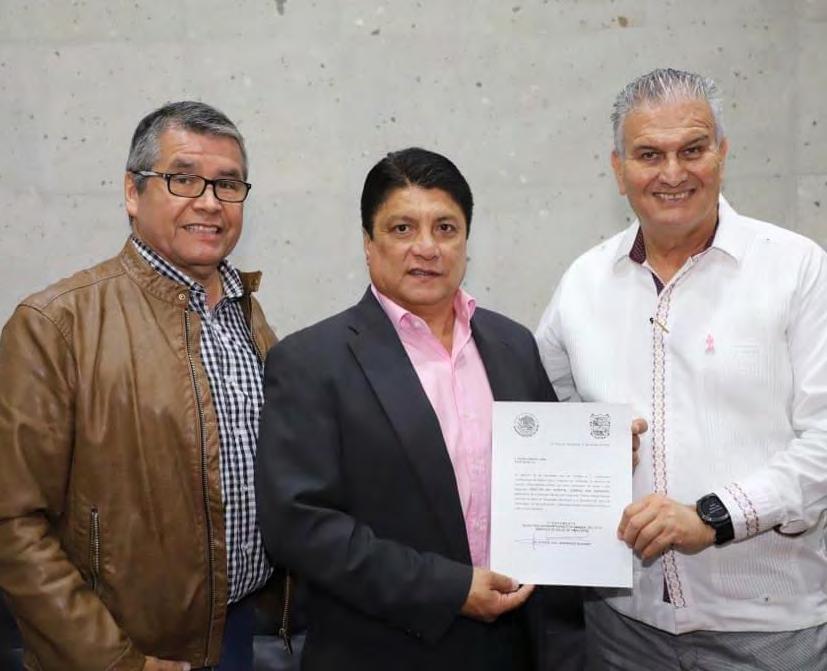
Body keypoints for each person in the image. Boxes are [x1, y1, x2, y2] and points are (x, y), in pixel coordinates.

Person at [536, 68, 827, 669]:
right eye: (649, 155)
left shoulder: (798, 269)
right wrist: (588, 447)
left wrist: (716, 515)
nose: (672, 173)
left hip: (767, 627)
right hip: (623, 624)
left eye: (692, 150)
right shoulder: (583, 282)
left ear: (722, 153)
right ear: (618, 169)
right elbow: (545, 407)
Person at [255, 147, 587, 670]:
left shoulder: (513, 345)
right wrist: (450, 589)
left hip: (517, 645)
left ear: (466, 242)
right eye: (403, 228)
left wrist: (596, 460)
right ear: (369, 244)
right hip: (382, 650)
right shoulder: (310, 362)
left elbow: (545, 486)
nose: (427, 248)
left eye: (446, 228)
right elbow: (299, 527)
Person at [0, 101, 285, 670]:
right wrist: (118, 662)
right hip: (121, 650)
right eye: (183, 179)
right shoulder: (57, 324)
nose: (209, 202)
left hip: (236, 633)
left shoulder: (248, 317)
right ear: (133, 192)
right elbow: (12, 522)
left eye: (228, 184)